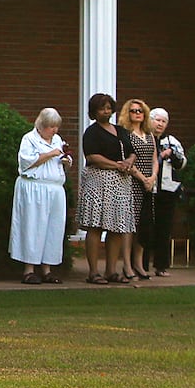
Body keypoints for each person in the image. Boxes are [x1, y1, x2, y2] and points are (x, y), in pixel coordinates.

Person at [76, 93, 137, 284]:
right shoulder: (92, 132)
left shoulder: (121, 131)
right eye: (102, 108)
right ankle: (94, 272)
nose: (106, 111)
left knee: (117, 227)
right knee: (95, 226)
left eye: (109, 107)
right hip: (98, 182)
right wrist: (116, 165)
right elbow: (93, 157)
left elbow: (132, 151)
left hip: (121, 184)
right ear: (94, 111)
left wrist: (128, 162)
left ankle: (112, 270)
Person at [11, 107, 72, 284]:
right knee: (33, 226)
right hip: (34, 188)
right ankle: (29, 270)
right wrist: (50, 154)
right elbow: (27, 162)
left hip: (54, 189)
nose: (54, 131)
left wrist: (65, 160)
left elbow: (63, 157)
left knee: (53, 229)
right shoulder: (29, 139)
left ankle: (47, 269)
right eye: (51, 127)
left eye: (56, 127)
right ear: (42, 125)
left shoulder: (57, 139)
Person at [117, 98, 158, 282]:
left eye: (140, 111)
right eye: (133, 111)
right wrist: (142, 178)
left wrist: (152, 178)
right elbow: (126, 159)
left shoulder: (149, 134)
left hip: (149, 184)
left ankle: (139, 264)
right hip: (132, 183)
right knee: (129, 225)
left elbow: (155, 158)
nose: (137, 114)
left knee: (144, 225)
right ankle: (126, 265)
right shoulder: (125, 134)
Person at [144, 107, 186, 275]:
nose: (160, 124)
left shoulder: (172, 141)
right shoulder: (145, 138)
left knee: (164, 229)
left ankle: (161, 266)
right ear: (150, 121)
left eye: (163, 121)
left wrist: (172, 155)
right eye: (157, 120)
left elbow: (182, 163)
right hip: (148, 189)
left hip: (167, 191)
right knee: (147, 228)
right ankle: (142, 265)